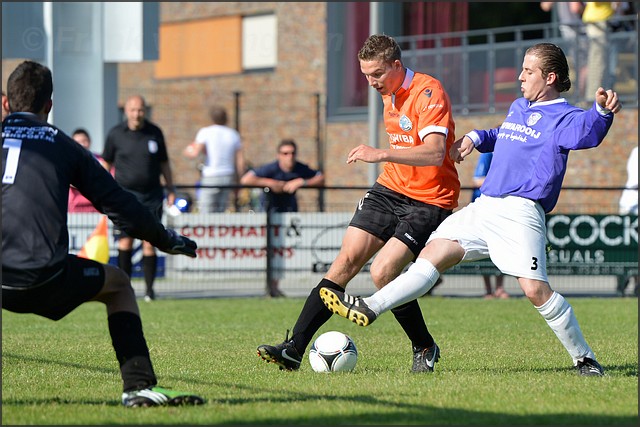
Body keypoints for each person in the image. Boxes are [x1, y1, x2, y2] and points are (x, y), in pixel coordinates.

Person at [321, 43, 621, 377]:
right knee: (431, 256)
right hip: (484, 207)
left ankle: (585, 359)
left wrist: (602, 111)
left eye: (528, 71)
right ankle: (371, 306)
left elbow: (588, 133)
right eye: (522, 69)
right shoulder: (520, 106)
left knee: (536, 291)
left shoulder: (566, 118)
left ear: (550, 77)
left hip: (520, 212)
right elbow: (504, 135)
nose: (520, 77)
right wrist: (476, 137)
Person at [2, 60, 204, 407]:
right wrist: (164, 238)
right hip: (43, 276)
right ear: (49, 106)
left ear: (6, 103)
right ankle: (138, 387)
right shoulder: (64, 146)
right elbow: (119, 204)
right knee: (119, 284)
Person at [256, 34, 460, 372]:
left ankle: (423, 345)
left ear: (397, 65)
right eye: (366, 75)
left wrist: (381, 153)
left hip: (429, 198)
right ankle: (294, 349)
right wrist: (387, 161)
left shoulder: (428, 91)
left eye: (377, 74)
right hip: (390, 188)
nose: (371, 82)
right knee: (344, 264)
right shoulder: (388, 92)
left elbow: (436, 152)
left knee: (383, 272)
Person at [102, 94, 176, 302]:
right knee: (125, 241)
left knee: (149, 242)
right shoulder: (116, 134)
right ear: (126, 111)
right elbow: (105, 164)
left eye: (141, 110)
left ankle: (150, 291)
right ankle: (125, 287)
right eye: (133, 110)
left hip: (151, 196)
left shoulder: (155, 133)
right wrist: (102, 189)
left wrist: (170, 188)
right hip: (124, 197)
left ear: (145, 110)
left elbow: (164, 164)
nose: (137, 114)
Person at [240, 139, 325, 297]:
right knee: (271, 249)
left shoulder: (300, 169)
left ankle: (275, 286)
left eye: (292, 153)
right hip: (270, 214)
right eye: (285, 153)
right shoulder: (271, 168)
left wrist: (302, 182)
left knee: (285, 249)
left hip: (290, 214)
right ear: (279, 155)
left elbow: (320, 178)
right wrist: (271, 183)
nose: (289, 157)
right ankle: (270, 285)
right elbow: (246, 179)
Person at [183, 105, 245, 213]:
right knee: (220, 212)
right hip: (227, 176)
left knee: (205, 211)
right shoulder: (233, 134)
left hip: (210, 175)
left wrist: (187, 150)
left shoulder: (205, 132)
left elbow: (194, 153)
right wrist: (239, 181)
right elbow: (240, 162)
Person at [471, 151, 509, 299]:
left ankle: (500, 288)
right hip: (484, 207)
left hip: (502, 208)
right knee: (483, 249)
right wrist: (504, 181)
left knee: (502, 248)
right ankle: (488, 290)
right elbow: (478, 180)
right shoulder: (488, 154)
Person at [540, 2, 587, 98]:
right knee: (585, 65)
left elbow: (545, 6)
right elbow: (576, 8)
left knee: (579, 65)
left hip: (566, 27)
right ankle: (582, 96)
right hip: (578, 28)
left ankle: (580, 95)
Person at [68, 128, 108, 213]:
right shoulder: (68, 161)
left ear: (90, 141)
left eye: (84, 141)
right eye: (78, 142)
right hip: (76, 208)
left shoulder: (100, 160)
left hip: (97, 205)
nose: (82, 144)